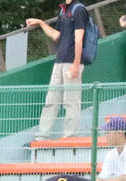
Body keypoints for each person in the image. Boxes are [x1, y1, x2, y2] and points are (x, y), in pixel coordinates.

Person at [29, 2, 89, 141]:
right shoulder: (63, 10)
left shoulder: (78, 9)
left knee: (71, 101)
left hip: (71, 62)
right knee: (51, 100)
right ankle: (42, 136)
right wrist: (40, 23)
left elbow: (79, 39)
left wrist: (75, 64)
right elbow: (57, 35)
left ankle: (70, 136)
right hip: (60, 61)